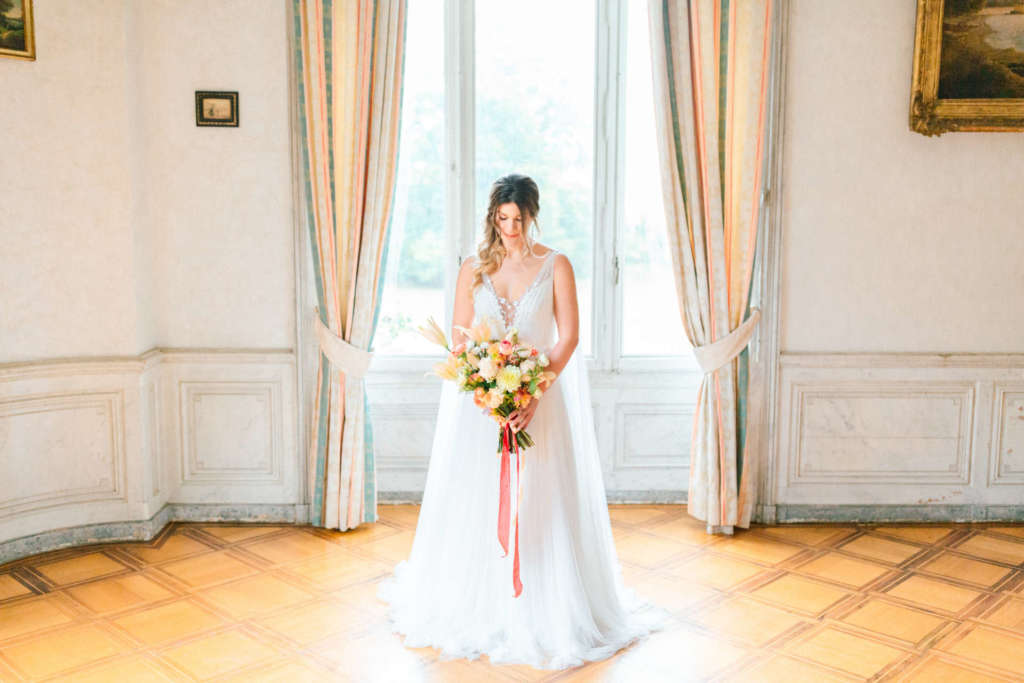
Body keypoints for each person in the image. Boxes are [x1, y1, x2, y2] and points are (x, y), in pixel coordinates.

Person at [377, 174, 667, 670]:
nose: (510, 228)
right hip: (483, 411)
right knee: (477, 500)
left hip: (541, 406)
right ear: (493, 217)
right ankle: (481, 603)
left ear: (533, 215)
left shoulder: (556, 265)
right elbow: (461, 339)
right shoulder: (473, 267)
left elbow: (569, 338)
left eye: (519, 219)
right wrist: (487, 392)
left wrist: (531, 391)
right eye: (502, 219)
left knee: (541, 503)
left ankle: (545, 608)